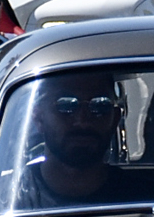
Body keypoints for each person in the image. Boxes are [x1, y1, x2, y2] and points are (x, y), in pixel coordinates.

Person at [15, 72, 122, 208]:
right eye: (65, 106)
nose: (83, 121)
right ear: (39, 119)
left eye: (100, 105)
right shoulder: (5, 202)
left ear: (115, 119)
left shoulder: (144, 202)